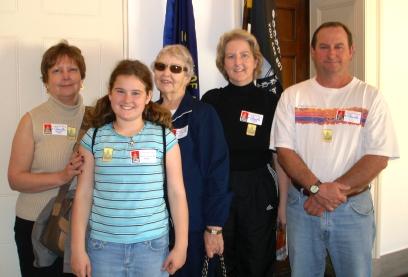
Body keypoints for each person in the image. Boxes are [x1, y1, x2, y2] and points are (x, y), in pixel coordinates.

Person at [270, 21, 400, 277]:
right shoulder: (292, 96)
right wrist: (317, 189)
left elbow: (378, 157)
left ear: (351, 51)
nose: (332, 53)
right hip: (303, 207)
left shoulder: (370, 97)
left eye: (339, 47)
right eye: (324, 47)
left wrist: (327, 193)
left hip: (352, 209)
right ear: (313, 51)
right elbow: (284, 152)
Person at [70, 59, 189, 277]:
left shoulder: (164, 138)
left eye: (136, 93)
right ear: (110, 94)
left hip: (152, 248)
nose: (127, 99)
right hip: (103, 248)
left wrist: (181, 246)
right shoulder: (93, 138)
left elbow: (177, 193)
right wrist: (77, 249)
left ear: (148, 97)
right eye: (120, 91)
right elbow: (83, 194)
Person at [202, 29, 286, 276]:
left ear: (256, 60)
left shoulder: (272, 102)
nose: (238, 62)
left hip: (258, 188)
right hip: (220, 188)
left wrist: (282, 204)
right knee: (222, 258)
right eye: (231, 56)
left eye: (244, 55)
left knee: (257, 259)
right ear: (222, 63)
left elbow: (279, 156)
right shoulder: (211, 101)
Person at [8, 41, 86, 276]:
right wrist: (62, 176)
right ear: (46, 81)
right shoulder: (31, 120)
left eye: (72, 69)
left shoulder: (97, 119)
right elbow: (15, 179)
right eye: (56, 71)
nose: (66, 76)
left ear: (82, 77)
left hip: (81, 228)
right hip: (36, 227)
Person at [153, 44, 231, 276]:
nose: (167, 73)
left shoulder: (203, 114)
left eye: (176, 68)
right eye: (161, 66)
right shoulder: (144, 114)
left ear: (188, 76)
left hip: (194, 226)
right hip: (152, 226)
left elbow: (218, 172)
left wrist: (214, 228)